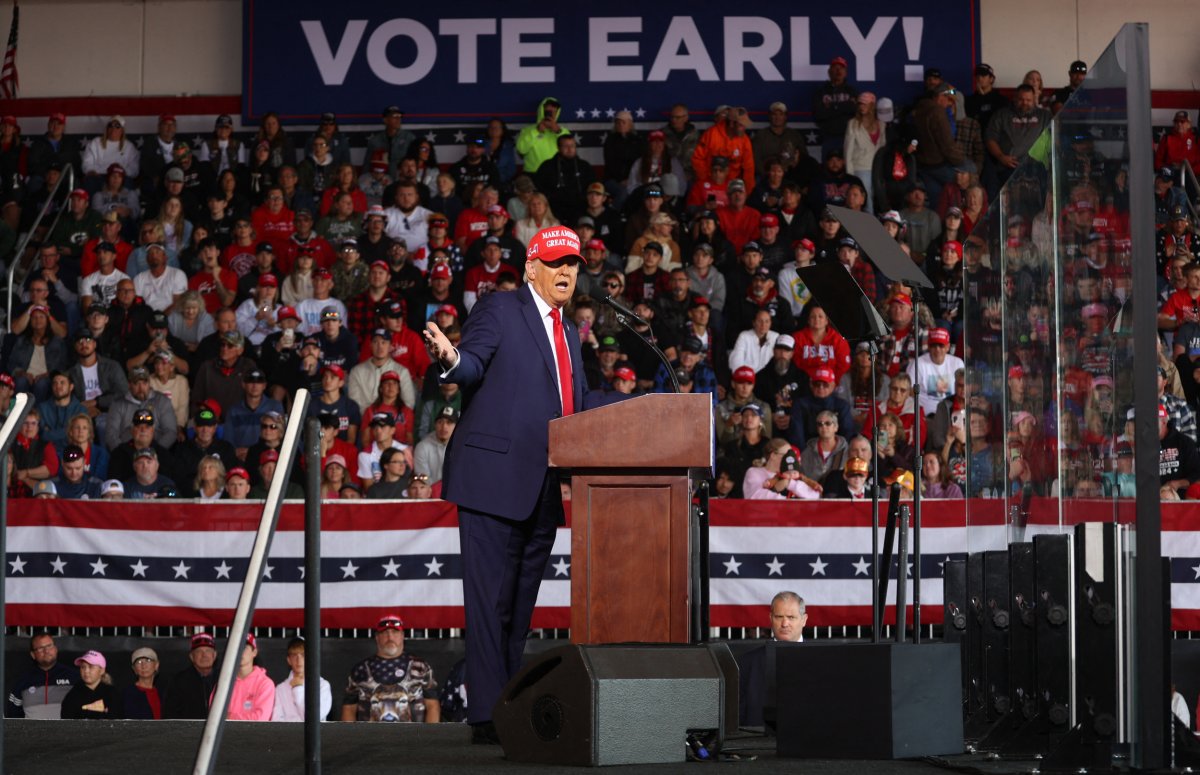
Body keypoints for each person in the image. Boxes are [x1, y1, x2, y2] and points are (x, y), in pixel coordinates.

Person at [422, 226, 587, 743]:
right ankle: (488, 716)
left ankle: (507, 705)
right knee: (489, 602)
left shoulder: (570, 332)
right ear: (532, 268)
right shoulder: (501, 307)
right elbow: (471, 364)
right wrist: (450, 359)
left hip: (543, 485)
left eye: (574, 264)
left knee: (519, 606)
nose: (566, 272)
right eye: (557, 262)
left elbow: (577, 403)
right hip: (492, 480)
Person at [341, 614, 440, 723]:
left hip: (413, 738)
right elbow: (349, 709)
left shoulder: (420, 667)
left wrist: (428, 737)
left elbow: (432, 706)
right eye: (385, 633)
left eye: (395, 632)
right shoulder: (360, 670)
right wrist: (352, 739)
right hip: (371, 738)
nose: (390, 637)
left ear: (402, 635)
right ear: (377, 637)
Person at [6, 632, 75, 718]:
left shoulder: (74, 677)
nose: (46, 651)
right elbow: (13, 715)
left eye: (49, 646)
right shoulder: (23, 680)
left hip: (67, 731)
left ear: (56, 649)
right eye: (40, 648)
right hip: (30, 731)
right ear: (33, 655)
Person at [272, 637, 333, 722]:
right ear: (289, 660)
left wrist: (297, 688)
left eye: (303, 655)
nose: (299, 660)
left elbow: (314, 718)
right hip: (288, 735)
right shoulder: (280, 689)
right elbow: (276, 721)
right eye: (294, 655)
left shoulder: (323, 686)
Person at [165, 633, 219, 719]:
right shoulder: (179, 682)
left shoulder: (224, 679)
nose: (204, 655)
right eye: (199, 651)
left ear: (215, 655)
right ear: (191, 656)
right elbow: (170, 714)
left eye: (208, 651)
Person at [61, 650, 121, 720]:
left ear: (102, 670)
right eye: (83, 667)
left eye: (91, 667)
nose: (86, 671)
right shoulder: (72, 696)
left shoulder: (112, 694)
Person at [123, 647, 167, 720]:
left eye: (148, 660)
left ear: (156, 665)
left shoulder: (164, 693)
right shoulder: (128, 694)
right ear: (134, 668)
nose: (143, 666)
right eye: (139, 662)